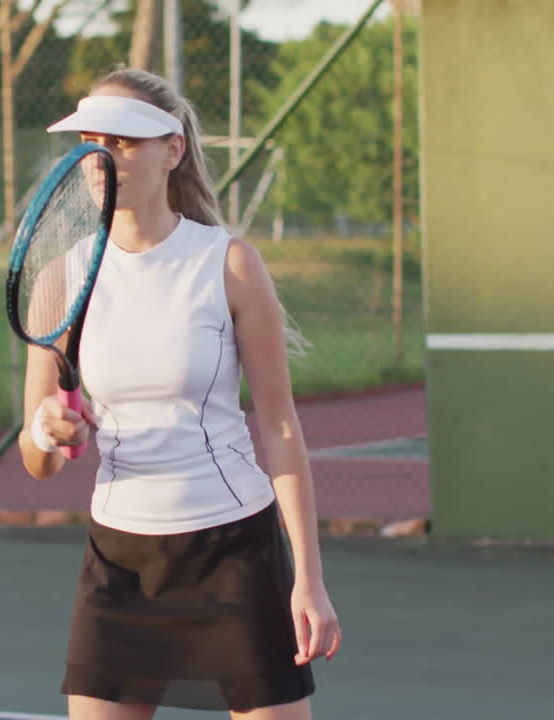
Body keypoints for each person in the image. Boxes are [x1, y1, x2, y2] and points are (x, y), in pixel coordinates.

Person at [18, 66, 341, 720]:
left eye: (126, 142)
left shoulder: (229, 264)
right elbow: (38, 461)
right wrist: (47, 429)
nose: (103, 159)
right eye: (91, 141)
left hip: (233, 553)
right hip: (120, 560)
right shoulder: (62, 279)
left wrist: (309, 579)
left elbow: (278, 428)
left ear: (173, 150)